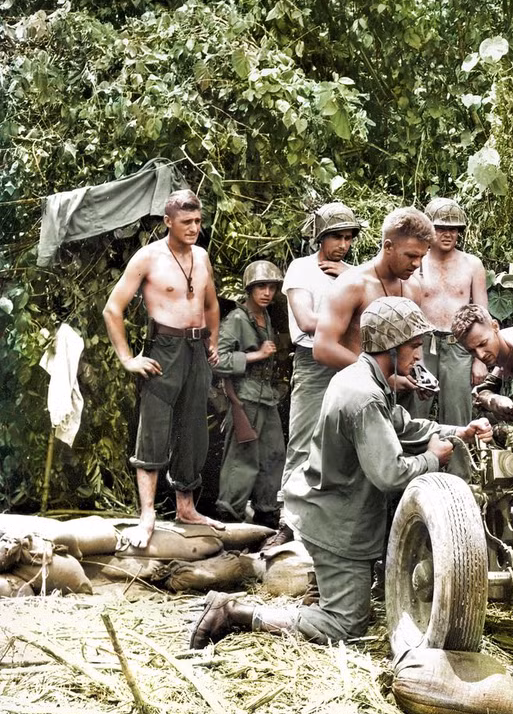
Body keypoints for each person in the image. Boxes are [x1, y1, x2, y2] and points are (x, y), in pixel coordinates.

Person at [189, 297, 493, 648]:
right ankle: (234, 612)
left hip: (328, 509)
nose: (419, 356)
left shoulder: (363, 378)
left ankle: (320, 595)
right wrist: (431, 459)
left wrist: (457, 433)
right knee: (345, 625)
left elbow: (403, 426)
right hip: (336, 524)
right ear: (390, 347)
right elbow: (390, 475)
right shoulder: (364, 396)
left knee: (341, 605)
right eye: (413, 346)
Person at [102, 189, 221, 548]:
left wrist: (212, 340)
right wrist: (127, 358)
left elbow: (212, 304)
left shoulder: (201, 257)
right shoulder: (148, 257)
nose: (194, 228)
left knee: (193, 430)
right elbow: (112, 309)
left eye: (198, 221)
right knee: (153, 429)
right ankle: (147, 514)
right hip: (163, 349)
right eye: (186, 222)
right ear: (168, 222)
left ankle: (186, 508)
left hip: (195, 350)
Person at [313, 207, 435, 397]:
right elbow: (322, 348)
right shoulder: (353, 284)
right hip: (355, 393)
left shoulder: (413, 287)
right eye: (411, 255)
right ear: (388, 246)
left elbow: (414, 342)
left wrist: (420, 374)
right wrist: (385, 377)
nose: (417, 264)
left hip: (395, 398)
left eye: (422, 256)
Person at [280, 200, 361, 486]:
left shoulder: (354, 274)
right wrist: (344, 322)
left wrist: (350, 278)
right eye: (337, 237)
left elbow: (370, 318)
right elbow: (305, 320)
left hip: (348, 360)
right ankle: (287, 518)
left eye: (348, 238)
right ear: (321, 238)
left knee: (345, 441)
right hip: (312, 360)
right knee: (303, 439)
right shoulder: (301, 268)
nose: (343, 244)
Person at [213, 260, 286, 527]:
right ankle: (228, 517)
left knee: (274, 455)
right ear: (249, 288)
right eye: (260, 287)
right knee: (241, 461)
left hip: (266, 396)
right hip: (245, 397)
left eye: (271, 287)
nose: (267, 292)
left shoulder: (264, 317)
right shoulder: (236, 319)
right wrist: (256, 355)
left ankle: (266, 514)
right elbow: (218, 360)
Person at [403, 198, 488, 425]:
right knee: (414, 411)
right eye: (440, 228)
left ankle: (458, 460)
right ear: (429, 230)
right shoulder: (415, 263)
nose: (447, 234)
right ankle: (413, 459)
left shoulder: (472, 264)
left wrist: (481, 360)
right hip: (421, 343)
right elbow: (405, 310)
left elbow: (482, 315)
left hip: (459, 345)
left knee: (458, 416)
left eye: (453, 229)